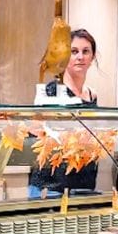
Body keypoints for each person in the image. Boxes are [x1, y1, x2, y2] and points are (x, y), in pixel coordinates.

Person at [29, 28, 101, 198]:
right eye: (74, 51)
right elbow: (36, 133)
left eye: (85, 51)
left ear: (93, 57)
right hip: (51, 186)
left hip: (84, 184)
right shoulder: (51, 91)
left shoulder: (92, 94)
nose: (80, 57)